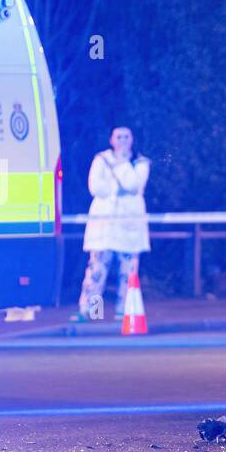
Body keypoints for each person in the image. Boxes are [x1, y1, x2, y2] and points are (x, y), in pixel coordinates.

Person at [75, 126, 151, 321]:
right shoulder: (101, 159)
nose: (123, 140)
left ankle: (124, 311)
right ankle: (91, 311)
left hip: (129, 224)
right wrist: (114, 188)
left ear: (132, 139)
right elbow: (95, 187)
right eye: (119, 137)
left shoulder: (140, 163)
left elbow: (133, 185)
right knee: (97, 270)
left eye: (126, 136)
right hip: (104, 224)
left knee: (128, 272)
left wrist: (122, 165)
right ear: (111, 140)